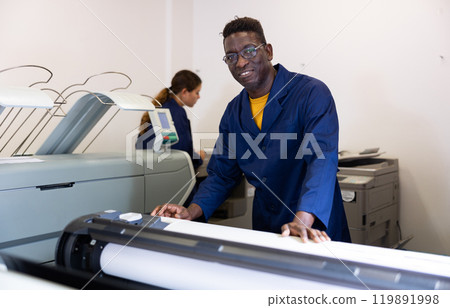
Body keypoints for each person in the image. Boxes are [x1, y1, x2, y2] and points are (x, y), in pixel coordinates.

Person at [152, 17, 350, 243]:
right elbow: (221, 174)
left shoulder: (311, 93)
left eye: (248, 51)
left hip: (313, 223)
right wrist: (191, 211)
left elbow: (321, 159)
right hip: (268, 224)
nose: (240, 63)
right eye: (231, 57)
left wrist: (302, 220)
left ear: (268, 51)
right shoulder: (233, 112)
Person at [137, 70, 205, 206]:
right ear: (185, 92)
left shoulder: (160, 107)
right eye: (197, 92)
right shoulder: (177, 112)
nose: (199, 97)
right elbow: (182, 156)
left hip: (153, 182)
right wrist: (199, 157)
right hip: (175, 184)